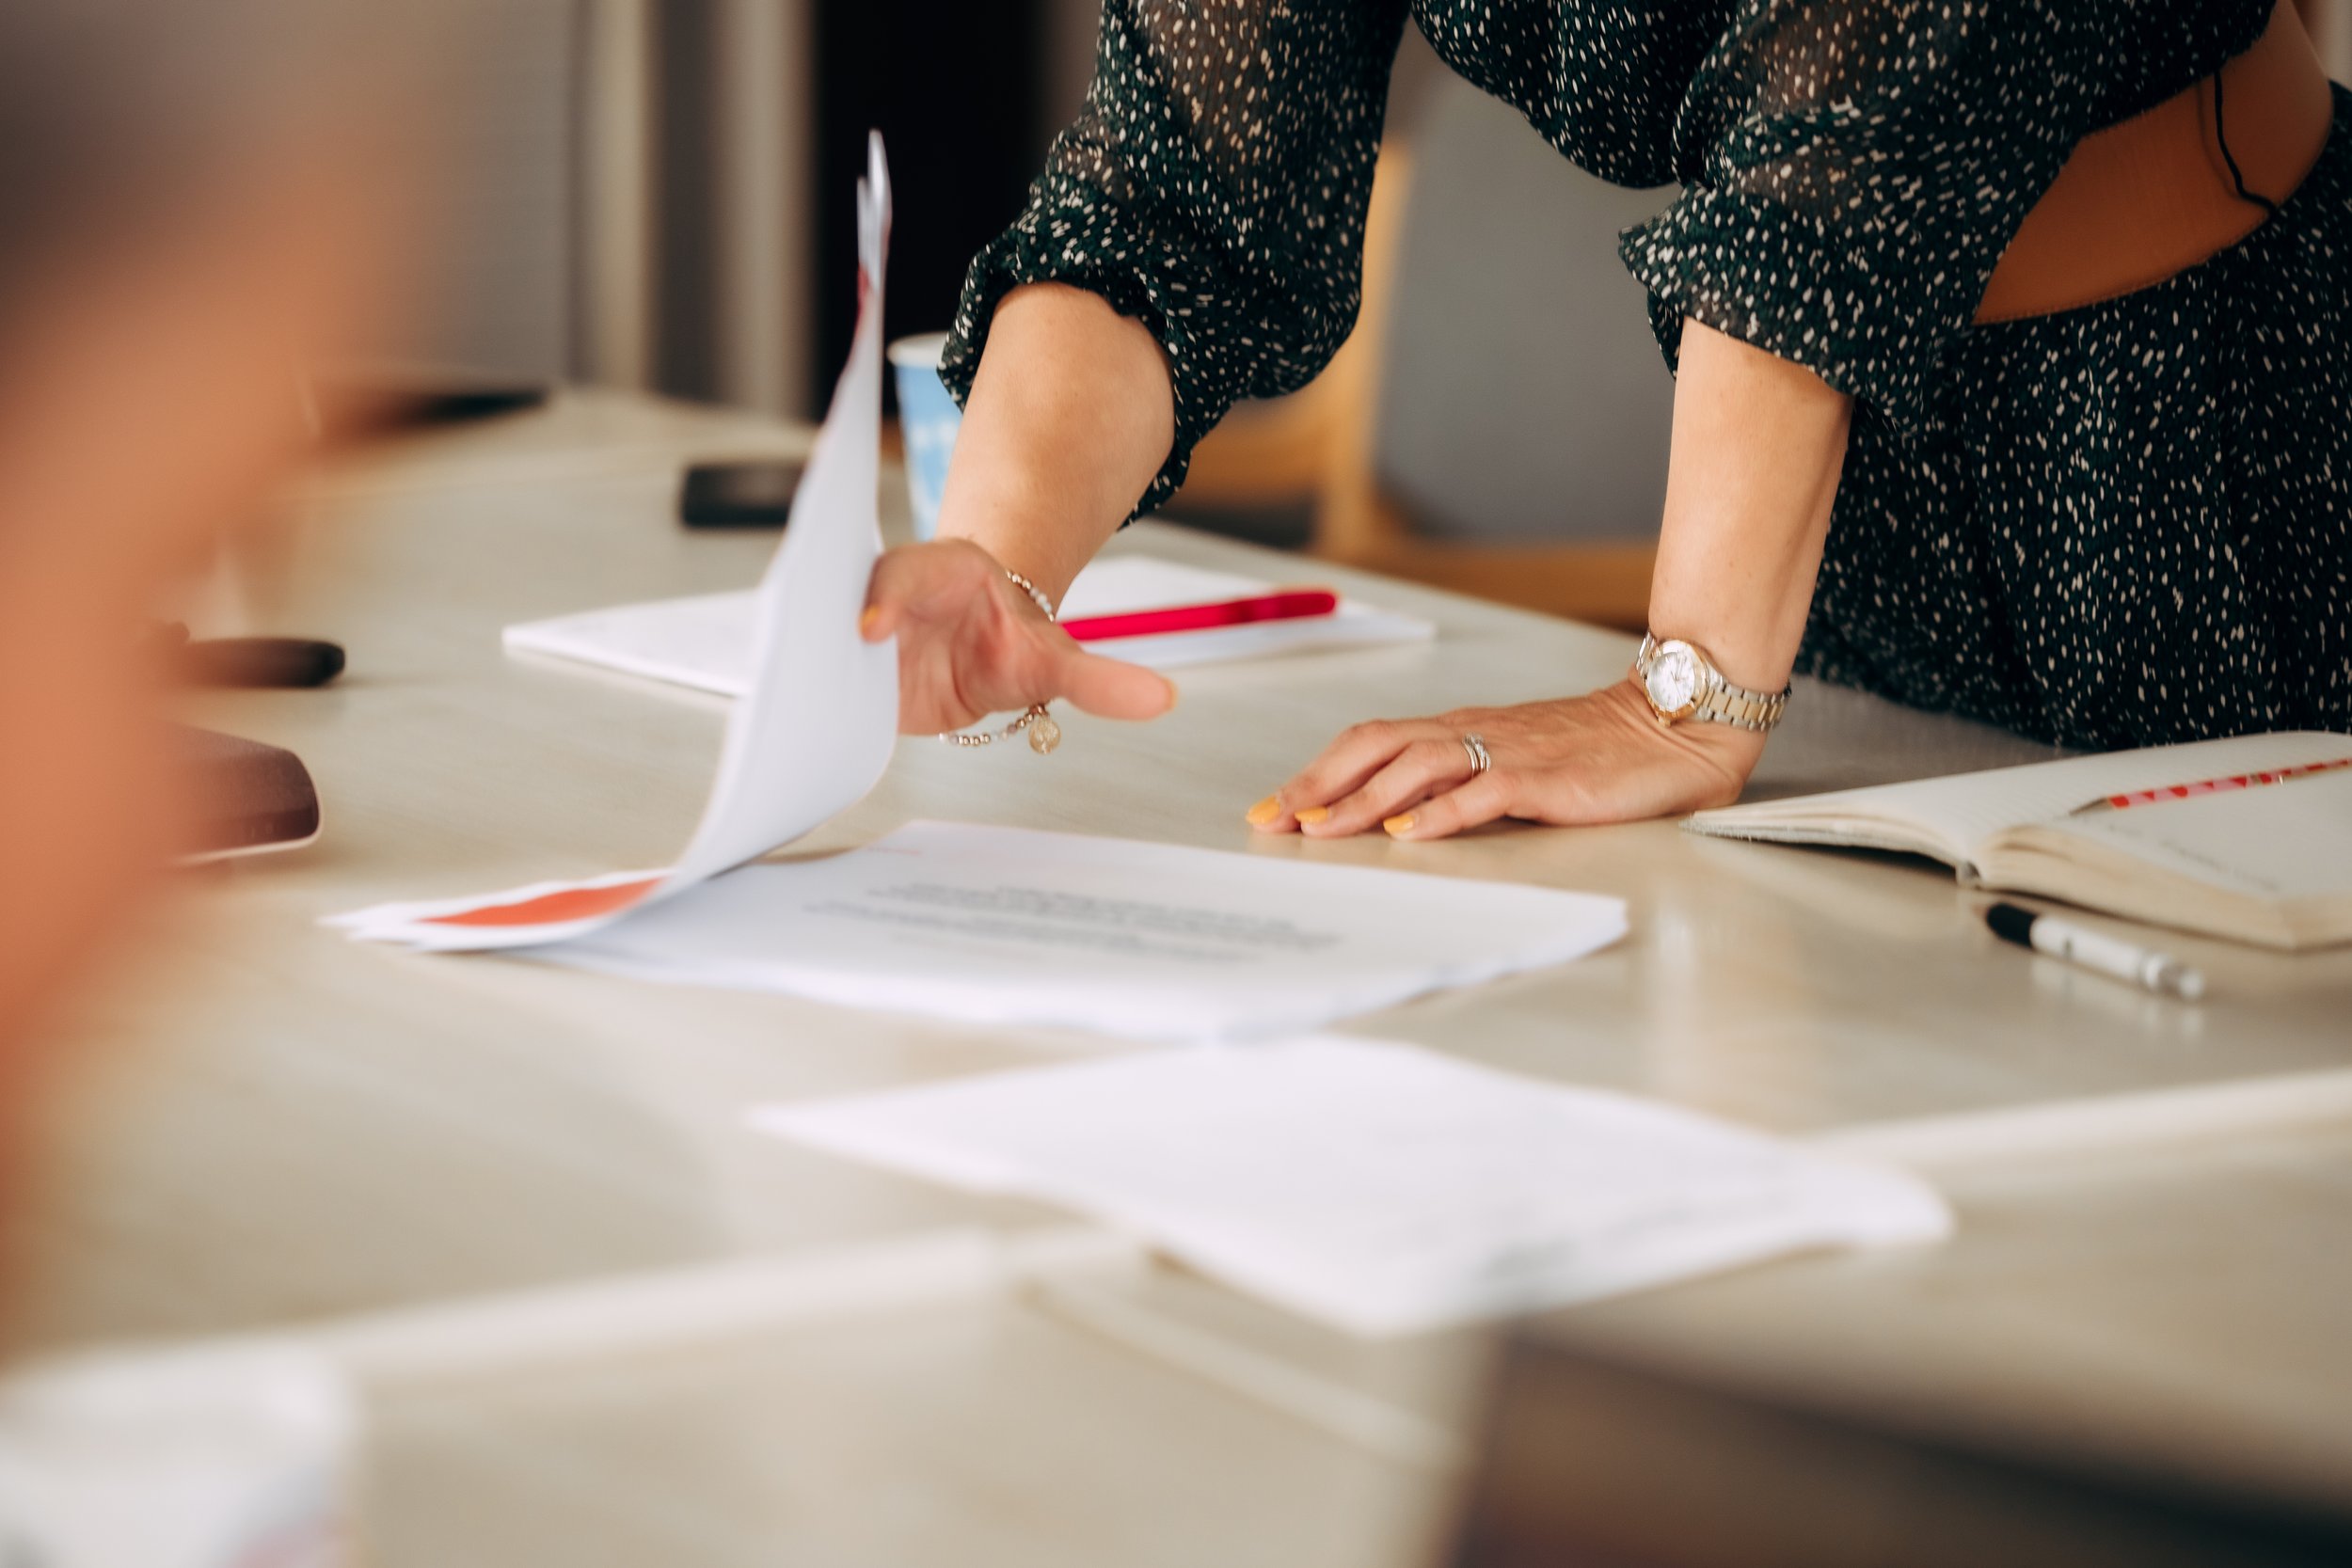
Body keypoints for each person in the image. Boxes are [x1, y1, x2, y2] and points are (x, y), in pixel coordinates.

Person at [861, 0, 2350, 840]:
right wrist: (998, 561)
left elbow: (1853, 103)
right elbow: (1173, 192)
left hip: (2216, 419)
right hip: (1847, 485)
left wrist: (1682, 700)